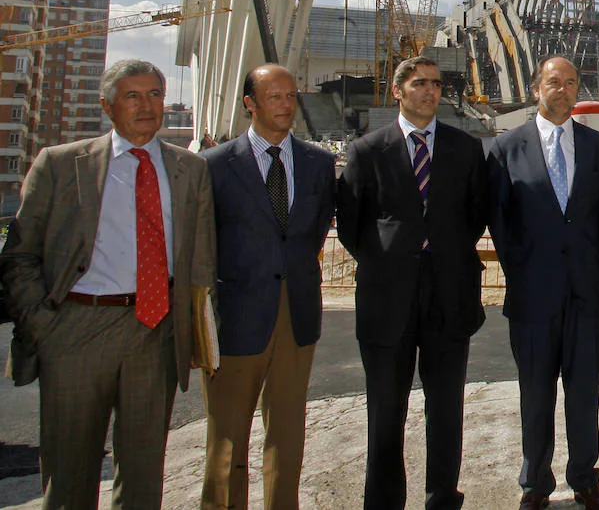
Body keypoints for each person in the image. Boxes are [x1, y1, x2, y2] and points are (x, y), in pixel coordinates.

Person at [0, 59, 216, 509]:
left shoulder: (189, 169)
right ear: (107, 105)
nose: (146, 106)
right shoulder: (61, 164)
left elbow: (200, 259)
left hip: (154, 335)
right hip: (77, 330)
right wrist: (45, 325)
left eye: (155, 95)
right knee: (69, 473)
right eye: (132, 96)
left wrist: (191, 336)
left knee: (142, 477)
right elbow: (21, 254)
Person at [337, 56, 489, 510]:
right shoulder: (368, 150)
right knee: (386, 411)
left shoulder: (465, 148)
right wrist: (393, 258)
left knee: (446, 410)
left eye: (437, 84)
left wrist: (442, 252)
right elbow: (350, 223)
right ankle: (384, 502)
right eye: (419, 83)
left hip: (448, 294)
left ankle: (443, 497)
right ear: (398, 91)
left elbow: (475, 213)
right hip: (388, 299)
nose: (430, 91)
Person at [487, 56, 599, 510]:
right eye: (554, 82)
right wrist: (524, 272)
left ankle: (585, 478)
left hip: (586, 293)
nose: (563, 89)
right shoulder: (506, 148)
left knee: (585, 392)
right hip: (533, 295)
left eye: (571, 83)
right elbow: (501, 222)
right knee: (536, 394)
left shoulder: (596, 147)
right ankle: (535, 484)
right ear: (535, 89)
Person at [199, 63, 337, 510]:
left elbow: (313, 232)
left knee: (288, 434)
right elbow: (203, 242)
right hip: (237, 317)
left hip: (296, 315)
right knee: (227, 438)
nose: (285, 105)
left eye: (291, 95)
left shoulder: (318, 163)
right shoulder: (214, 166)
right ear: (249, 103)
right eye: (274, 96)